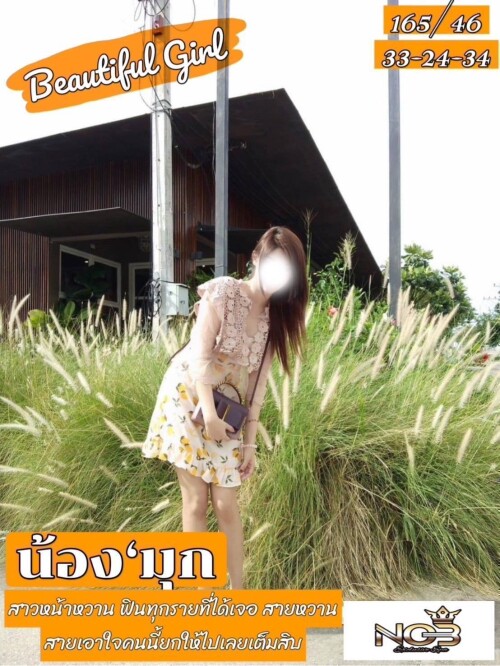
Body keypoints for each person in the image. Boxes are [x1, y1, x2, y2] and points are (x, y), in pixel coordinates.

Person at [141, 226, 308, 588]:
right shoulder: (224, 291)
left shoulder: (275, 318)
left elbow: (258, 387)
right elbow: (200, 356)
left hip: (227, 408)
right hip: (187, 396)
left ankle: (238, 593)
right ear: (256, 259)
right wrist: (210, 414)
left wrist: (249, 443)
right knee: (196, 501)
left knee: (226, 504)